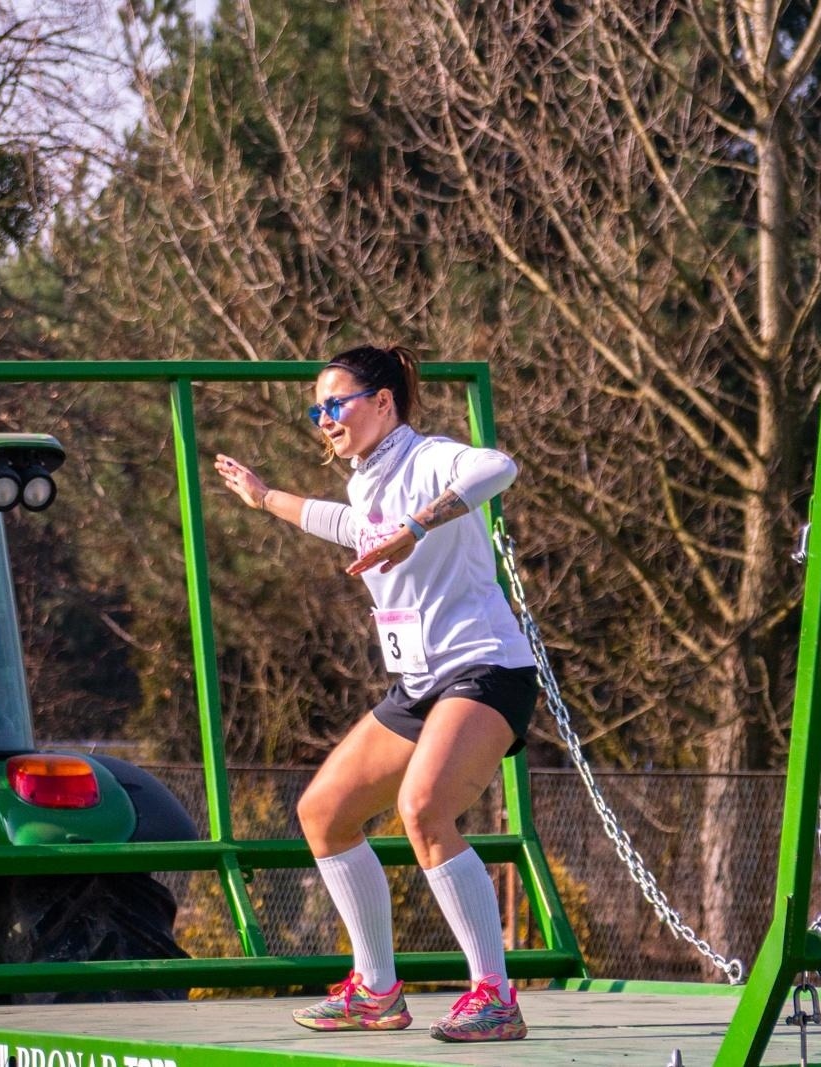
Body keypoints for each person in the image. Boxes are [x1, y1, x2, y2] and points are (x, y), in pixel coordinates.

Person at [214, 344, 538, 1043]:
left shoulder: (430, 458)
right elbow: (347, 524)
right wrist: (264, 497)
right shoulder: (367, 484)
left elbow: (499, 468)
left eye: (338, 403)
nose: (325, 418)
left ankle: (495, 995)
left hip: (485, 671)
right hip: (420, 686)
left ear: (384, 402)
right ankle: (376, 992)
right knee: (324, 812)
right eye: (317, 409)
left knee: (423, 811)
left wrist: (419, 525)